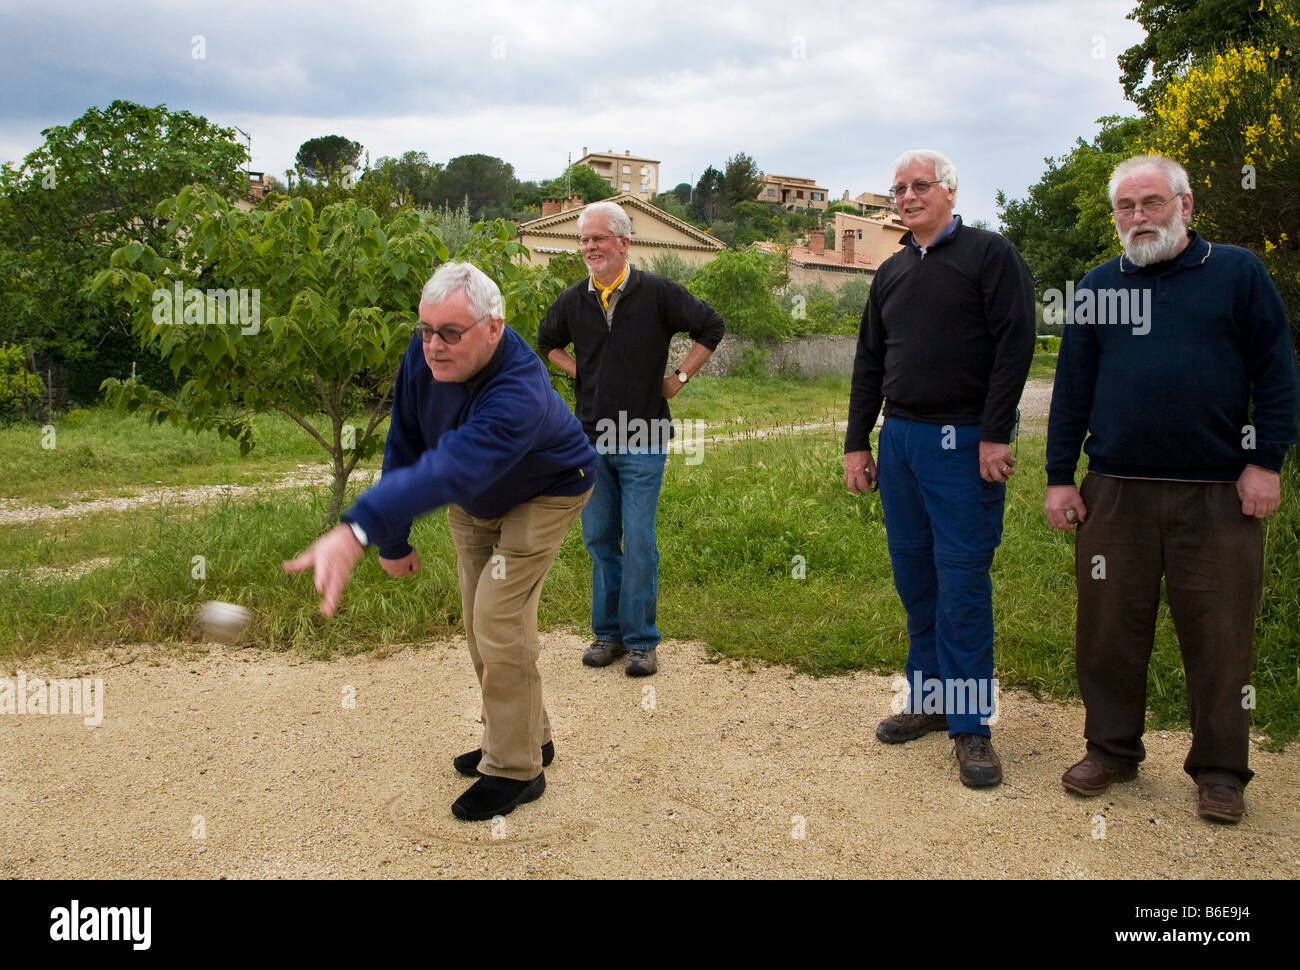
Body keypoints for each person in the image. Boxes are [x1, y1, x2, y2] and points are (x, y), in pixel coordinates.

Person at [283, 261, 596, 822]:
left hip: (546, 490)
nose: (433, 345)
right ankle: (525, 737)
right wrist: (391, 539)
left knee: (498, 620)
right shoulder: (424, 351)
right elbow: (406, 437)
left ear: (494, 327)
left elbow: (448, 467)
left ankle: (516, 770)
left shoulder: (518, 388)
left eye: (451, 332)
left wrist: (356, 530)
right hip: (477, 501)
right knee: (482, 622)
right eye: (425, 329)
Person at [1045, 154, 1299, 824]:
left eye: (1151, 203)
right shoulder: (1098, 286)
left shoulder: (1237, 273)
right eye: (1126, 208)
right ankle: (1111, 750)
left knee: (1220, 637)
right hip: (1115, 493)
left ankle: (1220, 770)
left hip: (1218, 494)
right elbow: (1070, 392)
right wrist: (1057, 479)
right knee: (1106, 633)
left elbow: (1277, 374)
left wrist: (1265, 461)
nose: (1138, 218)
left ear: (1185, 205)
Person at [843, 149, 1035, 788]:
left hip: (964, 445)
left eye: (919, 185)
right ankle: (927, 700)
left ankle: (971, 724)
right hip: (899, 441)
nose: (906, 195)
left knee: (960, 582)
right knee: (916, 577)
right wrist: (856, 443)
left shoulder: (988, 255)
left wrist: (993, 435)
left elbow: (1015, 346)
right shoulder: (892, 271)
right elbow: (869, 361)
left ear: (949, 191)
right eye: (897, 187)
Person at [536, 201, 724, 677]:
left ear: (623, 243)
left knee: (638, 539)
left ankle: (642, 641)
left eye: (598, 238)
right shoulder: (574, 300)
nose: (589, 248)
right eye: (584, 240)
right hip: (591, 438)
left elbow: (711, 326)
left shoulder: (658, 293)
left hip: (643, 434)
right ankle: (608, 635)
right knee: (600, 537)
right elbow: (546, 341)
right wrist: (581, 370)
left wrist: (679, 377)